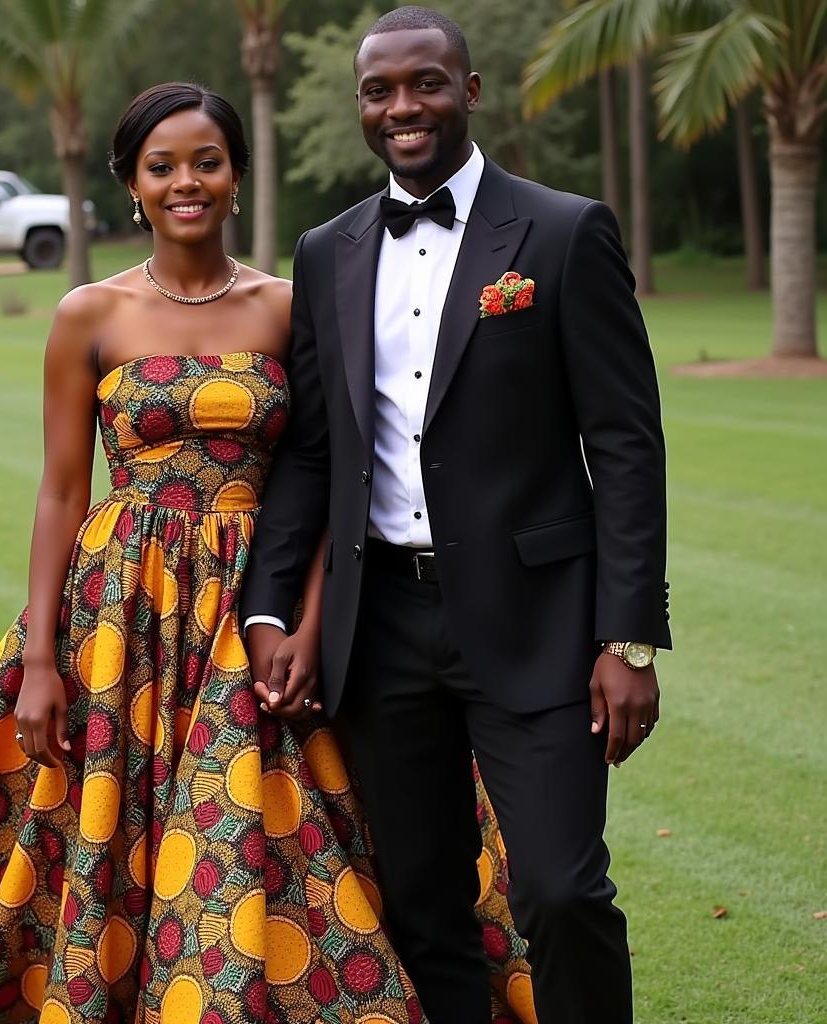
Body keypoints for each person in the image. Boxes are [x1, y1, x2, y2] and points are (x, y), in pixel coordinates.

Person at [0, 82, 531, 1024]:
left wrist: (309, 620)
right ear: (134, 186)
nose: (186, 182)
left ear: (234, 178)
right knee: (87, 818)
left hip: (255, 599)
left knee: (292, 816)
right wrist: (36, 657)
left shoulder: (291, 304)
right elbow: (65, 487)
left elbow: (325, 477)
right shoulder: (87, 315)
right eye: (162, 167)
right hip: (121, 609)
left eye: (206, 162)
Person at [243, 7, 672, 1024]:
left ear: (469, 91)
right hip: (379, 629)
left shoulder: (565, 232)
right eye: (379, 91)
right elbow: (312, 453)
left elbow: (624, 445)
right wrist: (270, 607)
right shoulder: (326, 250)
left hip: (539, 624)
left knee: (562, 892)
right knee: (425, 905)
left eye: (425, 84)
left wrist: (629, 637)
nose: (403, 108)